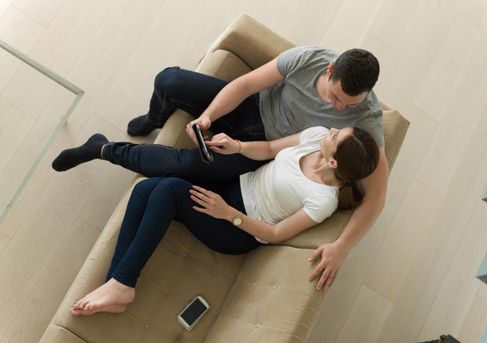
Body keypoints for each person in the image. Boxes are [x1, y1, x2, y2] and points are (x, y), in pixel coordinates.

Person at [53, 46, 389, 291]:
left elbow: (375, 197)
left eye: (350, 105)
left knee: (181, 165)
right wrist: (208, 117)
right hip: (251, 115)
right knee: (168, 80)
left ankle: (101, 148)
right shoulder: (308, 60)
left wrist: (342, 246)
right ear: (330, 71)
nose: (340, 109)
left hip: (263, 157)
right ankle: (154, 119)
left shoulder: (365, 125)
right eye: (336, 98)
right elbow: (244, 86)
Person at [70, 126, 379, 316]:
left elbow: (273, 233)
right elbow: (271, 149)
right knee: (144, 189)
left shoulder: (322, 199)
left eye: (338, 136)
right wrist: (239, 147)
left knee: (167, 190)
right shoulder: (316, 135)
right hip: (233, 188)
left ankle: (123, 284)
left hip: (239, 230)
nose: (333, 131)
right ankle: (117, 283)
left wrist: (228, 214)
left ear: (334, 161)